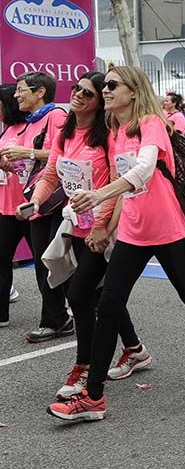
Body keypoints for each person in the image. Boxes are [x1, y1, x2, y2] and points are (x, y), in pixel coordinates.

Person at [48, 66, 185, 422]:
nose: (105, 91)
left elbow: (142, 171)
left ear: (133, 91)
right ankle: (94, 397)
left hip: (168, 229)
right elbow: (110, 175)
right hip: (133, 230)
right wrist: (93, 215)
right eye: (104, 86)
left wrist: (97, 195)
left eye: (112, 85)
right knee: (109, 304)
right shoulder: (114, 130)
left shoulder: (151, 124)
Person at [24, 72, 150, 400]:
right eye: (77, 89)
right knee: (100, 295)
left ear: (99, 103)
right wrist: (36, 200)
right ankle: (135, 349)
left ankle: (85, 367)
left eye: (88, 93)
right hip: (78, 225)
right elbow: (51, 173)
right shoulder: (66, 131)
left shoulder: (108, 136)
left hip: (103, 229)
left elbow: (116, 185)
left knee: (81, 295)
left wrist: (101, 227)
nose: (79, 95)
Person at [0, 72, 71, 343]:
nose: (16, 95)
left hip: (56, 202)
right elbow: (30, 164)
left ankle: (66, 316)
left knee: (56, 263)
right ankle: (57, 319)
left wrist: (27, 153)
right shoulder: (29, 122)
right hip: (36, 201)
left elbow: (64, 153)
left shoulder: (56, 117)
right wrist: (11, 161)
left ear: (40, 92)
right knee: (46, 261)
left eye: (21, 90)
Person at [0, 84, 29, 329]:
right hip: (6, 206)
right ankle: (2, 313)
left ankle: (60, 311)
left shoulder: (29, 127)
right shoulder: (7, 129)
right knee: (1, 259)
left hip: (31, 206)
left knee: (46, 262)